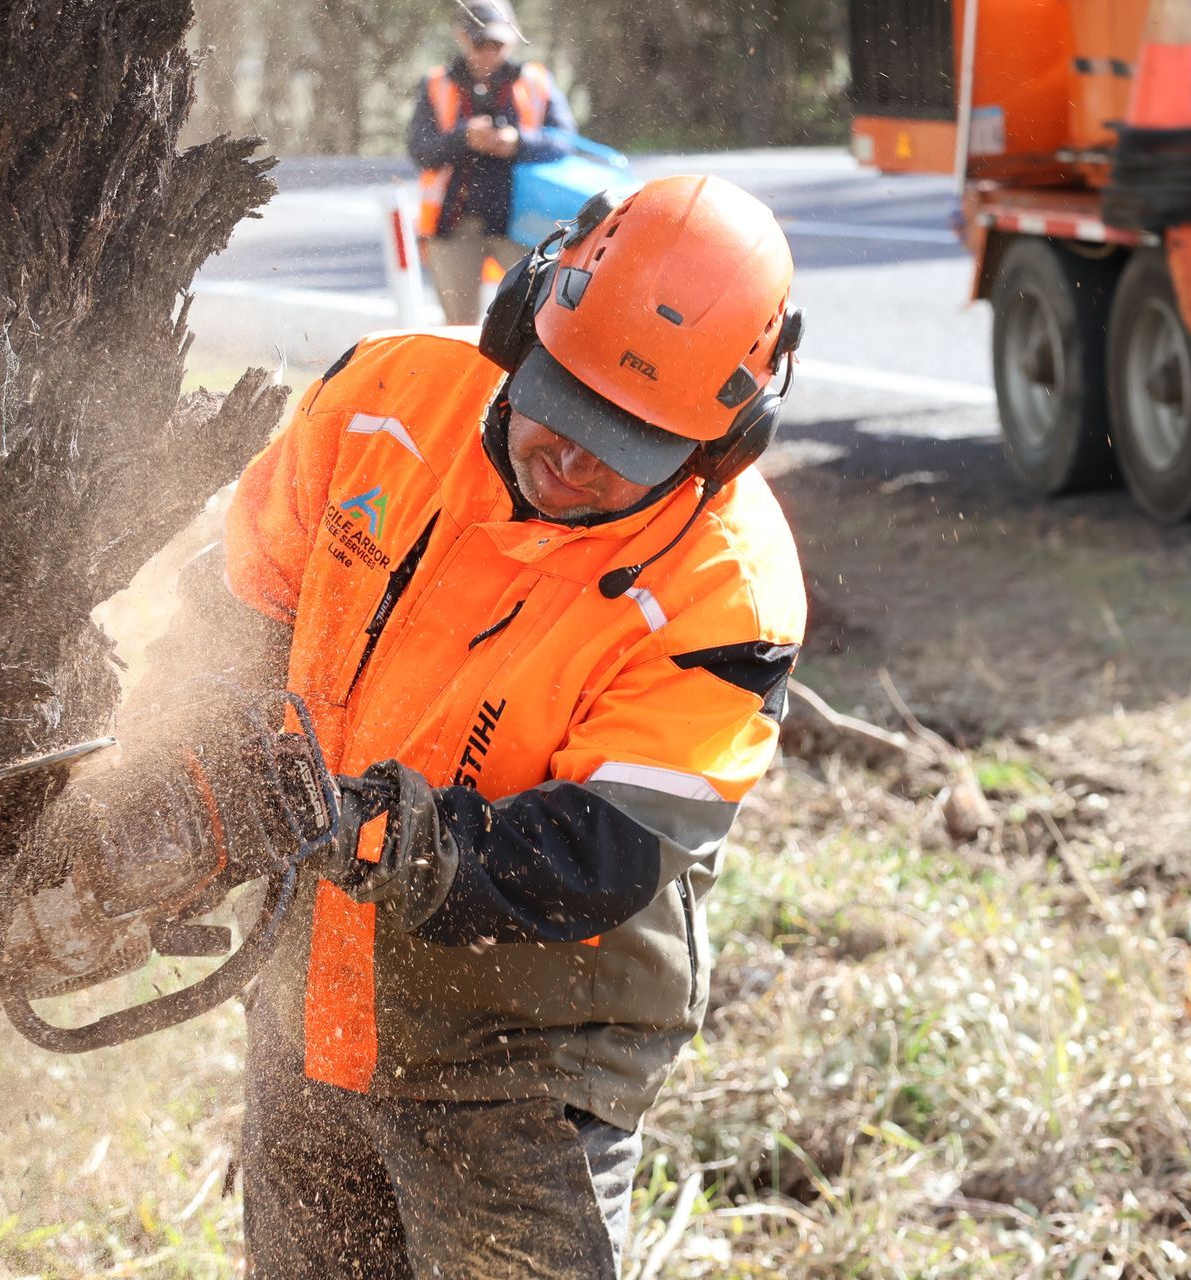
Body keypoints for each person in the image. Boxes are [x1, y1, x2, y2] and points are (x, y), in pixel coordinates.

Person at [126, 174, 806, 1277]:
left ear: (721, 444)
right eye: (565, 408)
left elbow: (600, 851)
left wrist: (377, 834)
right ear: (519, 318)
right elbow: (234, 615)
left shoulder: (728, 593)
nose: (573, 461)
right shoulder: (387, 397)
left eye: (623, 444)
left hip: (522, 1068)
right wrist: (173, 789)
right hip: (308, 1008)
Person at [406, 0, 576, 325]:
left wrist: (517, 143)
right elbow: (419, 149)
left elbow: (565, 141)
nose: (488, 52)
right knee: (462, 329)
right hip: (455, 225)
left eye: (496, 43)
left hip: (521, 224)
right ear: (462, 36)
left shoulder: (535, 80)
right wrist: (463, 138)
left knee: (537, 320)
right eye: (480, 42)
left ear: (512, 40)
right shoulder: (436, 83)